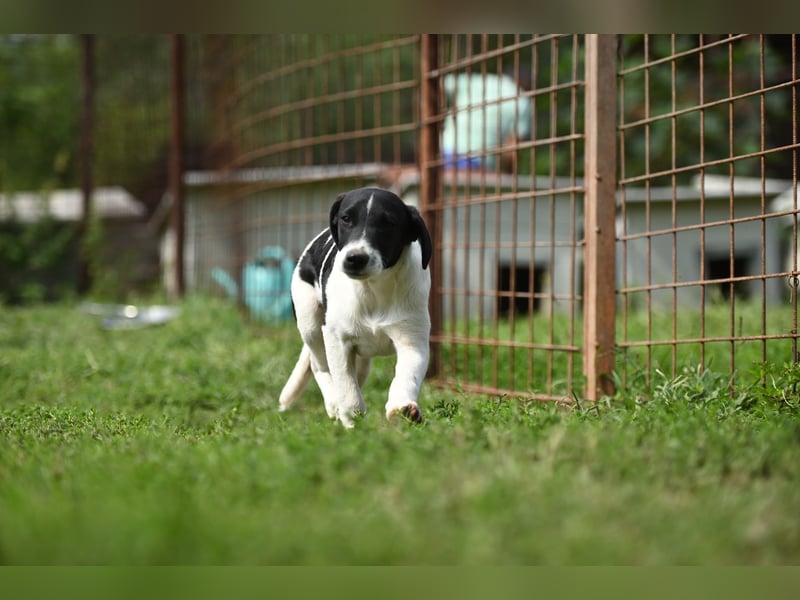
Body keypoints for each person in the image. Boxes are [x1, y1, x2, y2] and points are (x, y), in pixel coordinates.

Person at [441, 70, 532, 172]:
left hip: (444, 152)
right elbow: (512, 150)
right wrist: (509, 177)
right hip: (476, 162)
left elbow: (441, 83)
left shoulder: (479, 81)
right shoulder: (522, 100)